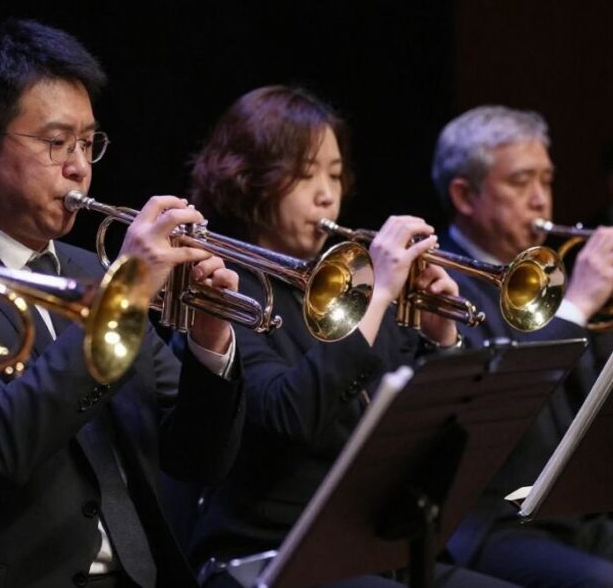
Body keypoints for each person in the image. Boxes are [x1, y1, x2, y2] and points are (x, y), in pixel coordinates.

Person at [0, 19, 245, 588]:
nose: (80, 166)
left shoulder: (91, 271)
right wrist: (128, 293)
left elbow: (197, 460)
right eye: (56, 143)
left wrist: (208, 342)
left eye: (88, 143)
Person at [184, 85, 516, 587]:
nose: (327, 193)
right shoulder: (225, 286)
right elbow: (286, 414)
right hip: (273, 554)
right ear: (248, 179)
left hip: (372, 545)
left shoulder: (344, 281)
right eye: (305, 174)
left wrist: (440, 336)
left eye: (335, 175)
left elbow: (423, 421)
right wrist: (380, 293)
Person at [432, 105, 613, 586]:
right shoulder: (441, 286)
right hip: (492, 521)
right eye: (520, 182)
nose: (540, 200)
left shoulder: (553, 276)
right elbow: (500, 402)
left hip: (576, 512)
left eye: (546, 180)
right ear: (464, 195)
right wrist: (577, 306)